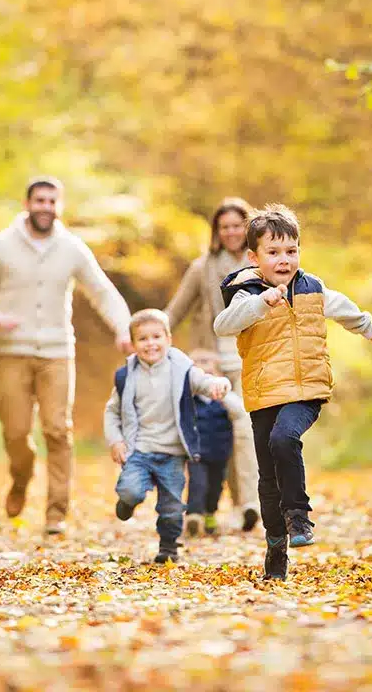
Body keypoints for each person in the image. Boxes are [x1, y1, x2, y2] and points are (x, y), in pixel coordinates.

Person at [214, 204, 372, 580]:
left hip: (306, 389)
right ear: (254, 257)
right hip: (264, 394)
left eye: (291, 251)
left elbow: (342, 307)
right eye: (273, 252)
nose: (284, 260)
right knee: (267, 477)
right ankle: (276, 544)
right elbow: (223, 325)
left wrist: (367, 327)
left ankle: (299, 518)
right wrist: (262, 303)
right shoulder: (246, 292)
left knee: (284, 438)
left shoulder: (312, 287)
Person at [0, 176, 133, 536]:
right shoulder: (1, 246)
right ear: (27, 204)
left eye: (52, 201)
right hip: (13, 352)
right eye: (39, 200)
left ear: (60, 206)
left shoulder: (72, 248)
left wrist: (123, 329)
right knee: (15, 432)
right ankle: (21, 478)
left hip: (58, 352)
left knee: (58, 430)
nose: (45, 207)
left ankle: (56, 512)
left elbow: (102, 292)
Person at [104, 309, 231, 564]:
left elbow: (204, 381)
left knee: (172, 507)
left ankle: (169, 547)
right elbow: (112, 411)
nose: (151, 344)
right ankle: (127, 502)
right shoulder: (126, 376)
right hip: (139, 450)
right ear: (133, 344)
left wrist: (220, 384)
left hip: (172, 453)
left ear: (168, 339)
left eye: (156, 337)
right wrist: (116, 440)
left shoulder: (182, 370)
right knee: (130, 491)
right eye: (143, 339)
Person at [165, 197, 260, 532]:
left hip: (250, 361)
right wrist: (150, 336)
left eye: (237, 225)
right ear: (217, 232)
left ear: (248, 228)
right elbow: (175, 310)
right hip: (211, 364)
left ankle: (249, 504)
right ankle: (207, 506)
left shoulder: (262, 265)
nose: (232, 232)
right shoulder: (202, 267)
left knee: (246, 432)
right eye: (225, 227)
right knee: (212, 436)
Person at [183, 349, 247, 537]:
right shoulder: (189, 400)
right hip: (196, 452)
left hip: (220, 453)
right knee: (198, 483)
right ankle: (194, 515)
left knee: (215, 486)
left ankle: (210, 513)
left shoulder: (225, 402)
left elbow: (240, 411)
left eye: (210, 372)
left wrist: (223, 394)